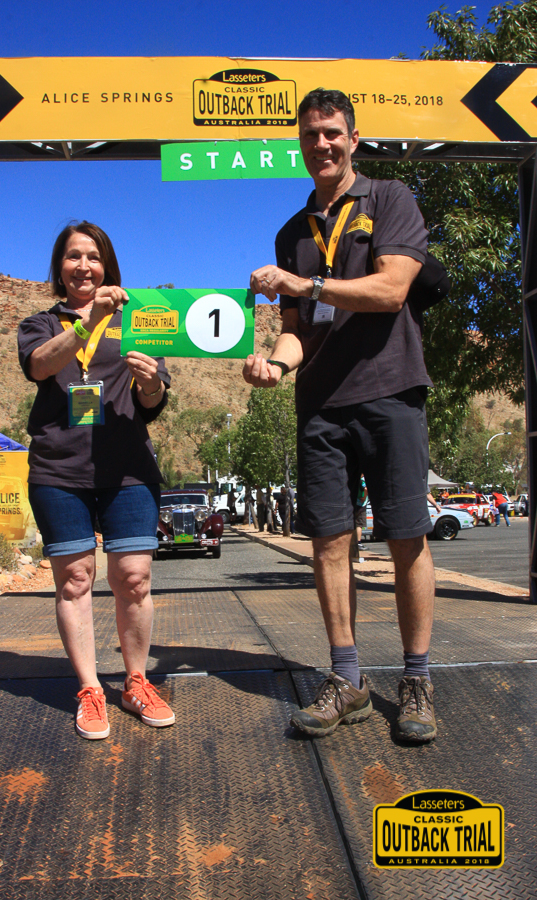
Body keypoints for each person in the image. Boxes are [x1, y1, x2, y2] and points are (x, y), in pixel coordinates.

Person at [243, 88, 437, 743]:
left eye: (332, 132)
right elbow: (297, 331)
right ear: (300, 145)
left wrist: (307, 284)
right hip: (320, 406)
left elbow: (392, 289)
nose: (321, 144)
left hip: (390, 391)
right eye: (310, 135)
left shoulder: (390, 199)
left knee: (406, 536)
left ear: (353, 139)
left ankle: (417, 681)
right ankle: (347, 679)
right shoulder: (291, 233)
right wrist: (276, 365)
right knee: (329, 540)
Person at [17, 221, 175, 741]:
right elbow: (40, 366)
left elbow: (153, 401)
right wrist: (89, 323)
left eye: (93, 256)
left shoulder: (139, 320)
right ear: (59, 267)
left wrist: (151, 384)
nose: (83, 266)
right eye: (73, 256)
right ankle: (90, 689)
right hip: (59, 471)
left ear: (107, 266)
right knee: (75, 581)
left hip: (128, 469)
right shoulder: (41, 323)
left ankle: (136, 682)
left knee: (133, 578)